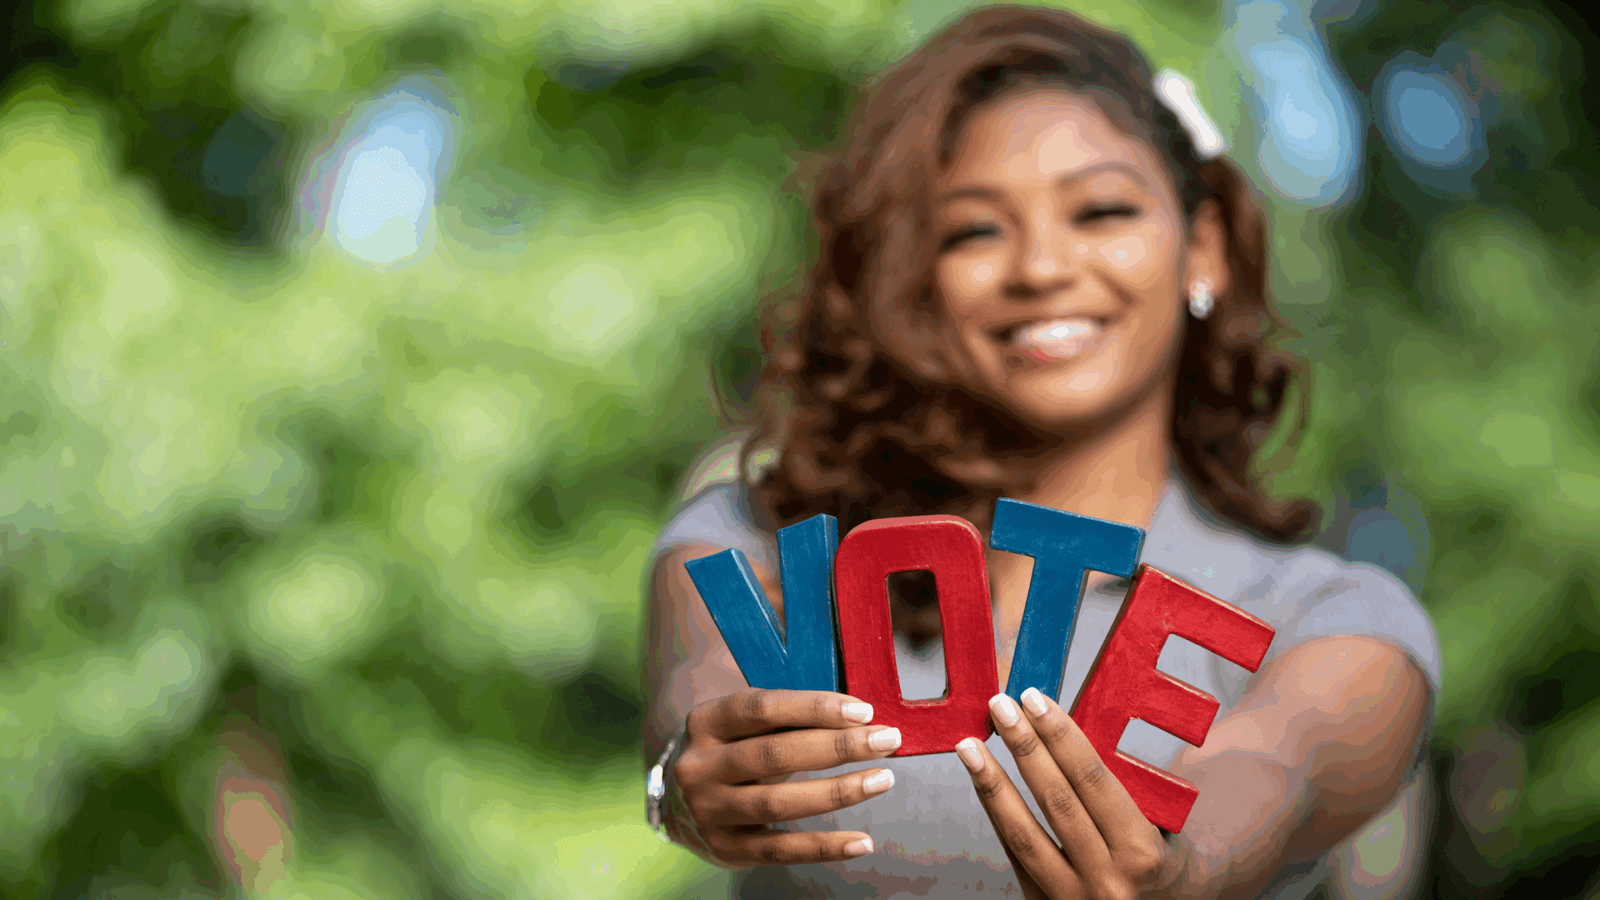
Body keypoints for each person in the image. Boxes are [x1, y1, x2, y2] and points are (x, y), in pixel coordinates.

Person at [640, 5, 1440, 898]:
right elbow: (695, 706)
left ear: (1202, 248)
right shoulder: (759, 549)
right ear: (916, 280)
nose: (1041, 268)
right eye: (974, 230)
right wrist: (682, 780)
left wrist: (1183, 871)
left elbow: (1272, 769)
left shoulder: (1330, 621)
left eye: (1101, 211)